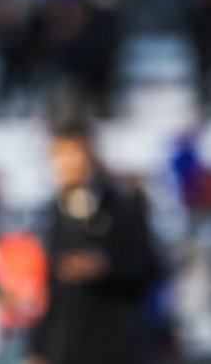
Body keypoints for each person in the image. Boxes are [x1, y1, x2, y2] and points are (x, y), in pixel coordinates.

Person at [27, 125, 161, 364]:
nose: (66, 163)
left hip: (115, 347)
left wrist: (106, 266)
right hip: (65, 350)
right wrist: (38, 349)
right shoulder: (52, 212)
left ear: (91, 153)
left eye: (72, 152)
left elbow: (149, 267)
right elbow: (49, 292)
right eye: (59, 154)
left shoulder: (124, 205)